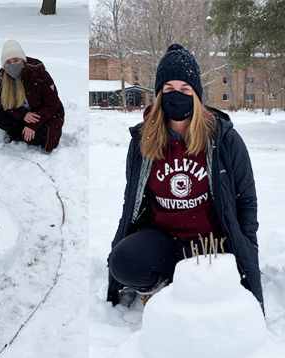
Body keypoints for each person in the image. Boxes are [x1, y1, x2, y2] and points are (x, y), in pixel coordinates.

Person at [107, 44, 261, 309]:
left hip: (212, 243)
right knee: (122, 263)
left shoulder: (223, 139)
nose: (176, 96)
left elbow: (246, 201)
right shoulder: (143, 141)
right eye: (168, 90)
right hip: (164, 241)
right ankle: (163, 284)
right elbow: (131, 200)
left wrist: (247, 251)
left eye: (184, 90)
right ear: (158, 95)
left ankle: (195, 283)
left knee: (212, 302)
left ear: (197, 95)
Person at [0, 39, 65, 152]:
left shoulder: (39, 73)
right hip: (24, 114)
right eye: (8, 62)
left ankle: (23, 133)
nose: (12, 64)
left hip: (43, 115)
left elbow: (52, 104)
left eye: (16, 60)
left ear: (22, 60)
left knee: (36, 138)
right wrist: (23, 115)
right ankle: (22, 132)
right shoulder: (3, 76)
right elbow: (1, 101)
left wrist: (33, 125)